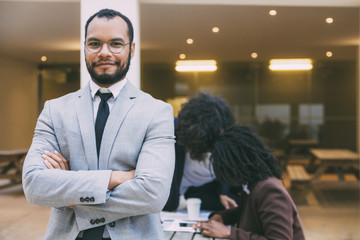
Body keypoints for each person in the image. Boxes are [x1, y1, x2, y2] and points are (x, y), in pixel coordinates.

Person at [22, 9, 175, 240]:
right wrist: (116, 177)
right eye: (95, 43)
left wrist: (72, 199)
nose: (104, 52)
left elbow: (153, 193)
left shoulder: (157, 112)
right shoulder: (54, 110)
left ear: (131, 49)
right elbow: (34, 185)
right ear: (84, 47)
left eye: (115, 44)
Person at [194, 126, 306, 239]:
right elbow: (248, 214)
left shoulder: (270, 190)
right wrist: (222, 217)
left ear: (237, 163)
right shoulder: (252, 184)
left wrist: (230, 232)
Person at [163, 92, 239, 211]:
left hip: (204, 192)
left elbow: (227, 164)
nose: (210, 151)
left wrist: (223, 192)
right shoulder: (173, 131)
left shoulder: (224, 134)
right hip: (175, 193)